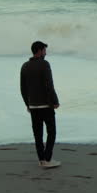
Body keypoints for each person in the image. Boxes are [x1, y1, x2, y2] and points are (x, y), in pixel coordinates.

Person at [20, 40, 60, 169]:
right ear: (39, 51)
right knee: (51, 132)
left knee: (37, 134)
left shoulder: (25, 66)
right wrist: (55, 101)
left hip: (33, 106)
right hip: (45, 106)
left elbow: (23, 88)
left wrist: (28, 104)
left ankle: (41, 160)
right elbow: (49, 85)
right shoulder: (44, 64)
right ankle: (47, 159)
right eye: (44, 50)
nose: (46, 53)